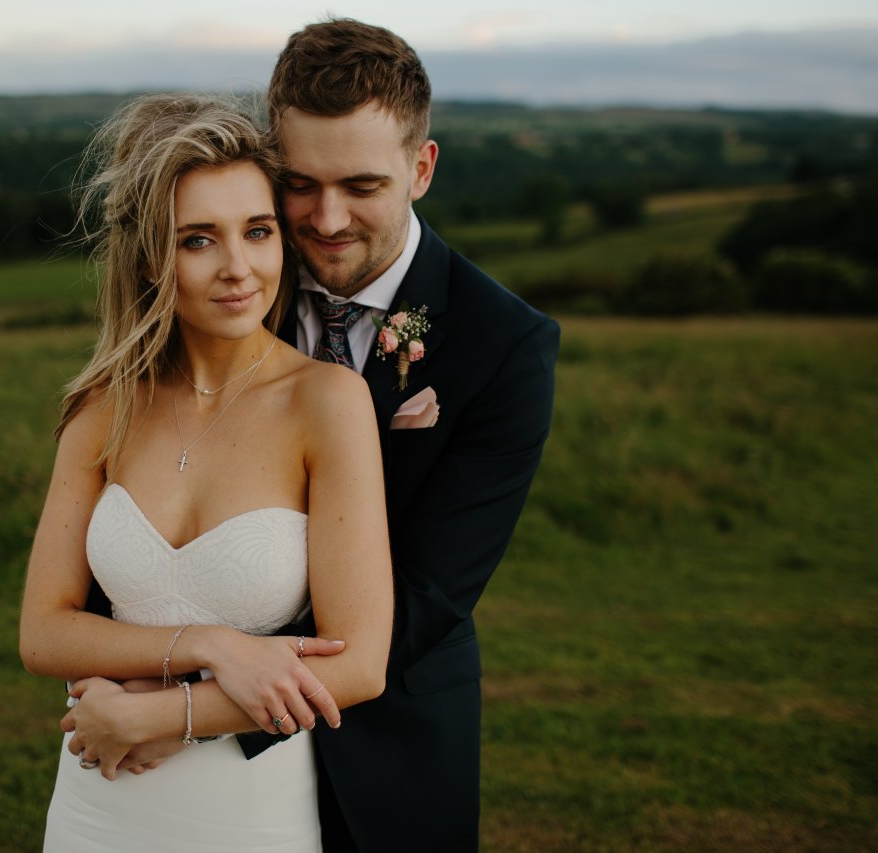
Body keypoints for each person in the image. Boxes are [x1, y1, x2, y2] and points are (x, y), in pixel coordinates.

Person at [18, 93, 393, 852]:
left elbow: (359, 663)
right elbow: (42, 631)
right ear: (153, 255)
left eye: (257, 232)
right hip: (99, 800)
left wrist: (163, 713)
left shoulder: (327, 401)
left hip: (248, 809)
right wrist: (213, 643)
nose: (238, 268)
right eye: (198, 240)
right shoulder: (103, 407)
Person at [232, 18, 561, 851]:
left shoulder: (504, 343)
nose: (327, 218)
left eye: (362, 185)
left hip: (388, 743)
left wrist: (205, 704)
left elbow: (430, 594)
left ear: (422, 168)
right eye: (299, 182)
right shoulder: (230, 289)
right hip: (200, 773)